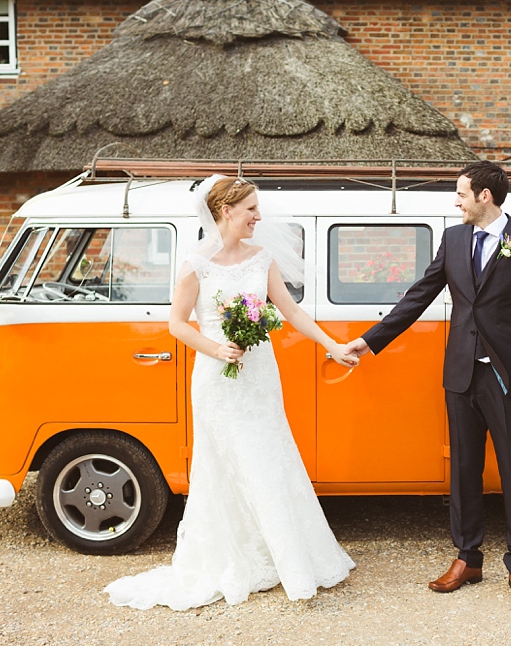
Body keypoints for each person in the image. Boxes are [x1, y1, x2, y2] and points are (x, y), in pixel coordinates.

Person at [105, 175, 357, 611]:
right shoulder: (196, 263)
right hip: (217, 378)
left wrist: (333, 346)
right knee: (225, 464)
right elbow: (178, 324)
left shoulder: (262, 259)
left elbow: (291, 309)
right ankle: (233, 556)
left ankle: (288, 556)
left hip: (260, 375)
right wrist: (217, 347)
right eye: (252, 210)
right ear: (226, 211)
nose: (260, 217)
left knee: (269, 455)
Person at [346, 161, 511, 607]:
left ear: (484, 196)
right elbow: (420, 294)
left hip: (507, 378)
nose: (455, 201)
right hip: (460, 373)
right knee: (463, 469)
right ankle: (468, 557)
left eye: (461, 194)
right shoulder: (454, 238)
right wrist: (368, 341)